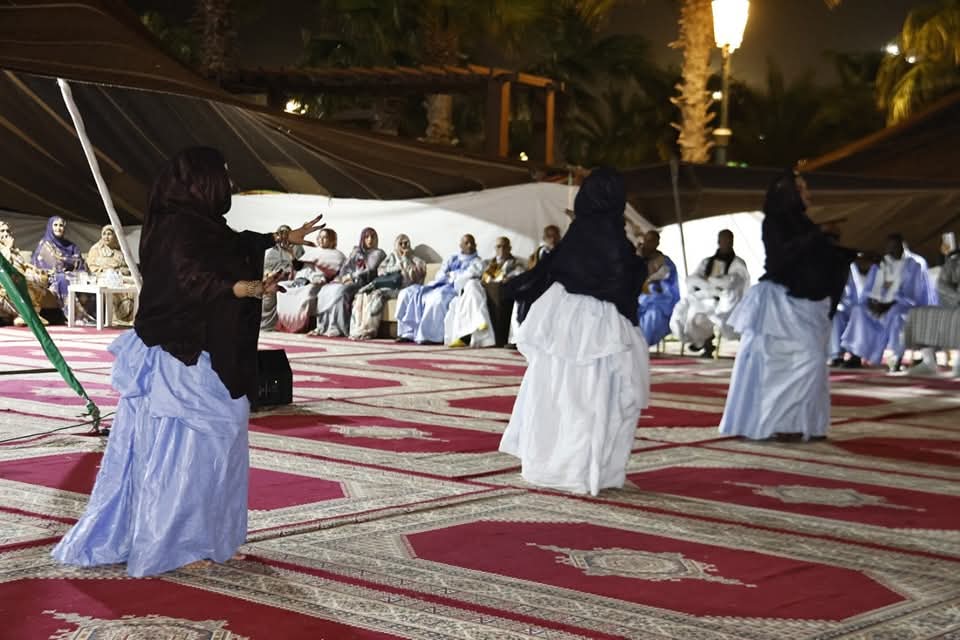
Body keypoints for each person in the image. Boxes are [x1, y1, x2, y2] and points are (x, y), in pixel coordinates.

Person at [51, 147, 324, 577]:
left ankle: (212, 538)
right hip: (181, 360)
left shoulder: (202, 225)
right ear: (200, 180)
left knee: (219, 447)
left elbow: (233, 246)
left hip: (206, 354)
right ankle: (177, 543)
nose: (228, 182)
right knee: (186, 454)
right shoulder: (175, 227)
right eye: (223, 173)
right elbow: (189, 279)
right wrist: (243, 289)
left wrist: (280, 238)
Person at [499, 168, 649, 496]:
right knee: (590, 398)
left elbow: (551, 272)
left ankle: (550, 464)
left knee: (557, 394)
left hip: (564, 322)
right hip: (598, 330)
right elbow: (623, 280)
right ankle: (582, 470)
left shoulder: (578, 235)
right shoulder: (613, 239)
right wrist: (643, 263)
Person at [719, 170, 855, 442]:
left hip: (806, 303)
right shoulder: (774, 223)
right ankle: (780, 423)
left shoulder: (803, 222)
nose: (808, 194)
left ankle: (802, 425)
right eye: (802, 189)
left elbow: (814, 256)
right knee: (795, 363)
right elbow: (783, 257)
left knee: (810, 362)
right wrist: (819, 233)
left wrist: (851, 253)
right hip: (780, 306)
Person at [841, 233, 932, 371]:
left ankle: (895, 358)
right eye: (889, 248)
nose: (891, 252)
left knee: (895, 314)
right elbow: (868, 289)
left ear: (903, 247)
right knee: (859, 310)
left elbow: (914, 295)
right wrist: (871, 302)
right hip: (880, 306)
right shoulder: (881, 263)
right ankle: (856, 355)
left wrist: (889, 304)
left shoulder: (915, 264)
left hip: (904, 306)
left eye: (895, 248)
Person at [669, 229, 750, 357]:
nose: (726, 243)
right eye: (723, 240)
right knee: (693, 313)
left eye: (728, 240)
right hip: (705, 299)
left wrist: (711, 281)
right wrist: (709, 285)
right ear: (718, 241)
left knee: (712, 314)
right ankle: (702, 342)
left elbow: (732, 282)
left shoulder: (737, 263)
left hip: (725, 301)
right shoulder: (707, 262)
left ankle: (706, 342)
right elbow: (692, 279)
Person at [396, 234, 483, 344]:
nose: (470, 245)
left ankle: (430, 336)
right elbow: (440, 274)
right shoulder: (453, 258)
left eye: (472, 243)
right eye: (466, 243)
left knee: (437, 299)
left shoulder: (477, 262)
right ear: (460, 245)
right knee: (406, 292)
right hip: (438, 284)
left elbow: (468, 276)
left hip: (453, 289)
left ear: (476, 245)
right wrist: (447, 275)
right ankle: (407, 333)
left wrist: (451, 275)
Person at [349, 234, 426, 340]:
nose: (404, 245)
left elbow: (414, 276)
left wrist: (405, 259)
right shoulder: (392, 257)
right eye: (401, 243)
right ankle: (357, 328)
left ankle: (369, 330)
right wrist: (397, 268)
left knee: (377, 295)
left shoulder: (416, 260)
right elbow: (380, 271)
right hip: (388, 286)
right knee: (362, 294)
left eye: (406, 243)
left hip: (403, 289)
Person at [312, 227, 385, 337]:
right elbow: (345, 267)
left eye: (372, 237)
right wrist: (342, 277)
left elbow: (369, 270)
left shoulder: (378, 253)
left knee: (341, 292)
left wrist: (351, 277)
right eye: (366, 237)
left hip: (363, 282)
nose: (370, 240)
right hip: (348, 280)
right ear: (362, 239)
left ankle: (341, 327)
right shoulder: (357, 251)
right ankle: (324, 325)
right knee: (325, 289)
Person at [904, 239, 960, 377]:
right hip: (955, 304)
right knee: (919, 315)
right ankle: (929, 362)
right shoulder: (954, 263)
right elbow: (942, 285)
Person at [275, 228, 345, 332]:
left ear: (332, 240)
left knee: (308, 290)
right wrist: (291, 254)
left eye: (324, 237)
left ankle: (302, 326)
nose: (321, 240)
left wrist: (318, 279)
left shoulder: (337, 255)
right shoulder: (313, 252)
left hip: (318, 283)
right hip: (301, 281)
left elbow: (336, 274)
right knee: (281, 286)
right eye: (319, 237)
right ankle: (286, 324)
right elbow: (298, 267)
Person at [31, 215, 87, 318]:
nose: (58, 228)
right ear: (50, 227)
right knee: (62, 278)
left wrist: (65, 261)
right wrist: (68, 261)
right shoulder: (45, 245)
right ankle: (73, 315)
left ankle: (93, 315)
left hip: (73, 275)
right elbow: (53, 264)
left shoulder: (70, 245)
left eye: (61, 225)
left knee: (85, 279)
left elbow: (79, 261)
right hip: (50, 277)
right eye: (55, 225)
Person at [829, 253, 878, 367]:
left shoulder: (878, 271)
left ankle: (856, 355)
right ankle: (837, 355)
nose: (862, 262)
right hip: (850, 308)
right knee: (837, 315)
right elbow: (844, 295)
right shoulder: (850, 270)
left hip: (871, 310)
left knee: (858, 313)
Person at [0, 220, 51, 326]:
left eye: (7, 231)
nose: (6, 234)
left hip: (18, 279)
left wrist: (33, 268)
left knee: (39, 278)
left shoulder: (14, 250)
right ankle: (27, 315)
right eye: (2, 231)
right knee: (19, 281)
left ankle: (27, 315)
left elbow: (21, 264)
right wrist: (8, 248)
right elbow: (3, 267)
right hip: (4, 284)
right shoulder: (6, 248)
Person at [636, 230, 680, 347]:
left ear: (657, 243)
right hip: (633, 293)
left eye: (652, 241)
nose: (649, 243)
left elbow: (669, 281)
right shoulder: (634, 257)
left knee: (654, 311)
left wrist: (652, 283)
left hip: (655, 296)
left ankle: (644, 343)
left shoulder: (665, 261)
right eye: (647, 240)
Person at [86, 225, 136, 324]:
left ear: (115, 236)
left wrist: (120, 271)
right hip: (103, 277)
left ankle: (131, 318)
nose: (106, 237)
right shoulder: (96, 249)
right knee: (113, 287)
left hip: (120, 277)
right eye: (104, 234)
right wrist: (108, 271)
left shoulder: (121, 250)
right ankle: (116, 319)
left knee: (135, 286)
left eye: (109, 234)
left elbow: (128, 267)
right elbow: (92, 268)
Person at [260, 224, 303, 331]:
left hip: (291, 278)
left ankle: (273, 325)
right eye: (281, 234)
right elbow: (266, 268)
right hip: (274, 277)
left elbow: (300, 267)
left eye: (286, 234)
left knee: (274, 288)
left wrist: (290, 258)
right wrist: (270, 274)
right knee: (265, 289)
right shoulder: (273, 251)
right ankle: (265, 324)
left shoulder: (297, 248)